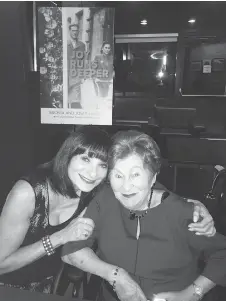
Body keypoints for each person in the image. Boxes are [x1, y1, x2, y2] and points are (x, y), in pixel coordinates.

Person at [62, 130, 226, 301]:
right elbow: (70, 250)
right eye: (118, 175)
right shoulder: (104, 200)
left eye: (135, 174)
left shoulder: (183, 213)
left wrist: (192, 293)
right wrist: (116, 276)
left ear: (153, 177)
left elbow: (223, 254)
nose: (126, 187)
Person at [0, 126, 110, 293]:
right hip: (8, 287)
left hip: (47, 287)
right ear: (68, 156)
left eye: (103, 165)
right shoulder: (28, 192)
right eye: (86, 159)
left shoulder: (92, 194)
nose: (93, 173)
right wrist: (59, 237)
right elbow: (1, 265)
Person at [67, 23, 86, 108]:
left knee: (75, 101)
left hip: (76, 76)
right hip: (65, 75)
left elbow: (83, 61)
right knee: (64, 100)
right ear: (69, 31)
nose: (75, 32)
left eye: (76, 31)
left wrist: (83, 75)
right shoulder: (64, 44)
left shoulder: (82, 45)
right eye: (73, 30)